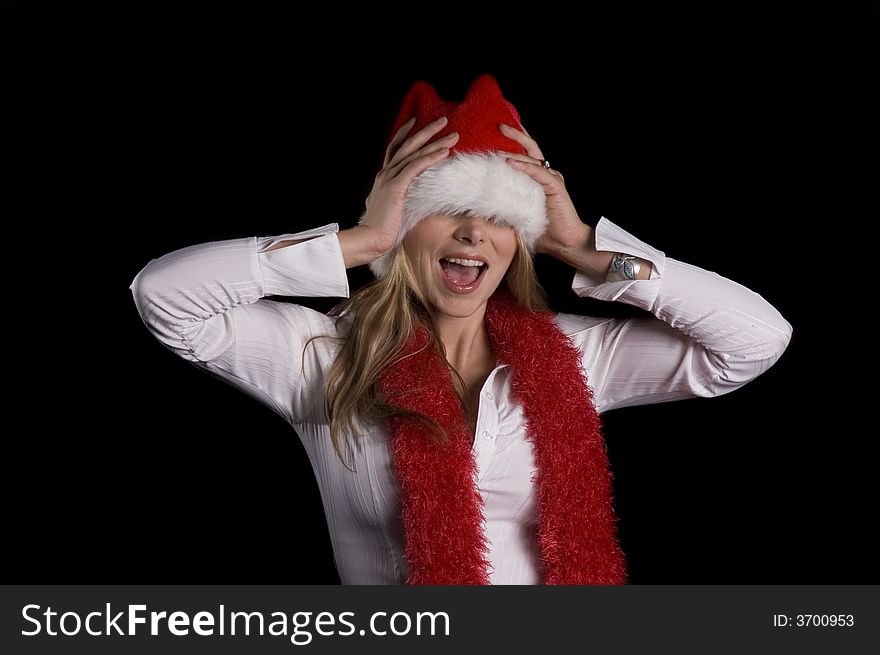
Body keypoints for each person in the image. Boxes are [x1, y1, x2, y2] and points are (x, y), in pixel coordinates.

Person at [130, 75, 792, 585]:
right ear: (403, 227)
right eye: (447, 209)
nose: (475, 232)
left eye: (497, 215)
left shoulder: (578, 354)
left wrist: (585, 246)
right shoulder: (323, 359)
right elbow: (163, 294)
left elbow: (755, 339)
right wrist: (356, 241)